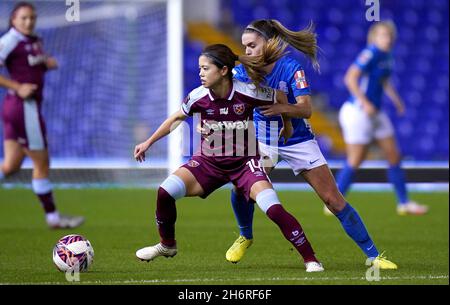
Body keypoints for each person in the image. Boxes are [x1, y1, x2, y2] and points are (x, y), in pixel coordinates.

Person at [134, 41, 325, 272]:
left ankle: (311, 259)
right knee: (165, 192)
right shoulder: (198, 96)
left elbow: (281, 97)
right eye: (199, 68)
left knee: (273, 208)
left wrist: (287, 125)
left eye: (206, 68)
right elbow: (176, 119)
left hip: (245, 163)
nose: (200, 73)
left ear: (223, 70)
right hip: (209, 162)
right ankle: (167, 245)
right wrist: (148, 142)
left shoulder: (248, 91)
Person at [224, 19, 397, 270]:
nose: (247, 51)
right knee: (241, 189)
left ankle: (373, 255)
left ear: (269, 43)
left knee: (333, 199)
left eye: (252, 45)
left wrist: (281, 108)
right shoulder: (241, 71)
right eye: (245, 47)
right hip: (264, 139)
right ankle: (245, 235)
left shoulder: (291, 68)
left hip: (298, 139)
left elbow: (306, 109)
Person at [0, 2, 84, 229]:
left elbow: (34, 63)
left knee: (10, 166)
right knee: (42, 164)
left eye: (32, 18)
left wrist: (47, 63)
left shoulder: (34, 41)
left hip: (15, 107)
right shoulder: (9, 40)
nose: (29, 22)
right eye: (23, 18)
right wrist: (17, 86)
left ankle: (53, 217)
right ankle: (54, 219)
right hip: (23, 106)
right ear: (13, 20)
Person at [336, 21, 428, 216]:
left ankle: (404, 203)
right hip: (358, 112)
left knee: (394, 154)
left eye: (389, 36)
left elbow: (383, 80)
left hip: (376, 112)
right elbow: (350, 78)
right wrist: (364, 102)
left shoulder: (388, 55)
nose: (387, 39)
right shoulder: (370, 53)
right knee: (356, 159)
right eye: (383, 35)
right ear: (374, 37)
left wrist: (396, 100)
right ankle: (334, 201)